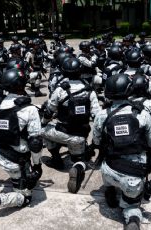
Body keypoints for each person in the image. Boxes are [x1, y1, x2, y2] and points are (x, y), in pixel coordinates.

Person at [0, 68, 43, 227]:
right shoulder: (29, 109)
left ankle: (17, 179)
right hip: (15, 159)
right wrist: (37, 165)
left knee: (19, 178)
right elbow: (35, 143)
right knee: (26, 197)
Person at [93, 73, 151, 230]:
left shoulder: (102, 115)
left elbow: (96, 142)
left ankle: (110, 190)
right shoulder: (142, 114)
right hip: (134, 177)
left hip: (109, 171)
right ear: (130, 90)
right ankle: (132, 217)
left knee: (106, 165)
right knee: (132, 207)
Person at [41, 58, 101, 193]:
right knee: (79, 160)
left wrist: (44, 123)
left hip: (61, 133)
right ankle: (78, 167)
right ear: (80, 71)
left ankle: (56, 159)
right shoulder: (89, 91)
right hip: (80, 137)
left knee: (42, 130)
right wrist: (95, 142)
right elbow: (97, 117)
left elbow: (49, 111)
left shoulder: (60, 90)